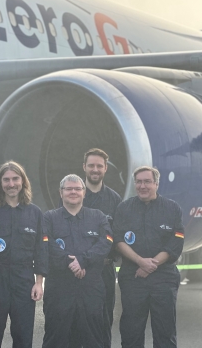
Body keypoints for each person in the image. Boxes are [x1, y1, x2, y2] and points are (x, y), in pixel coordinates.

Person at [0, 161, 48, 348]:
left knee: (23, 334)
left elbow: (40, 250)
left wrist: (39, 282)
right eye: (6, 179)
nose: (11, 184)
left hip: (23, 279)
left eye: (15, 179)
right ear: (0, 183)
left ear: (23, 181)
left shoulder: (34, 213)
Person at [114, 166, 184, 348]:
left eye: (147, 181)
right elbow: (118, 240)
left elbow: (175, 242)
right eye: (138, 182)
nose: (142, 186)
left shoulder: (172, 208)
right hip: (133, 277)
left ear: (156, 184)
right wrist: (140, 262)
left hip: (164, 278)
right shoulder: (124, 208)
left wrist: (151, 265)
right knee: (131, 333)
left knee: (165, 334)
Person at [42, 174, 113, 348]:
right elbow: (46, 243)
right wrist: (68, 261)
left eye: (77, 189)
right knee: (56, 338)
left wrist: (83, 261)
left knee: (94, 339)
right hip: (59, 289)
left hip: (90, 288)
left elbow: (107, 241)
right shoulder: (49, 218)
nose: (73, 192)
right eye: (68, 189)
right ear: (61, 193)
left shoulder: (98, 217)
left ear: (84, 192)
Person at [81, 148, 122, 348]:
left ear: (105, 169)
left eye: (99, 166)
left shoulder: (115, 200)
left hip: (104, 270)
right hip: (77, 269)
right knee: (77, 322)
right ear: (84, 167)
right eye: (91, 166)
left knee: (104, 321)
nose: (95, 169)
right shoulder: (74, 195)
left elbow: (119, 235)